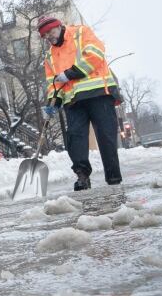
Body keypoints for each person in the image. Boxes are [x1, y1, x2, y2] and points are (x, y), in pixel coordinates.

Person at [38, 16, 123, 191]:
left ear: (60, 27)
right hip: (73, 101)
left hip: (99, 93)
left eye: (51, 32)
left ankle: (113, 177)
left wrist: (70, 73)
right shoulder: (49, 56)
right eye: (45, 35)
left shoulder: (81, 33)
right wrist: (53, 102)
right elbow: (53, 83)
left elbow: (96, 55)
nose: (49, 36)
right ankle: (82, 176)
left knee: (106, 137)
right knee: (75, 139)